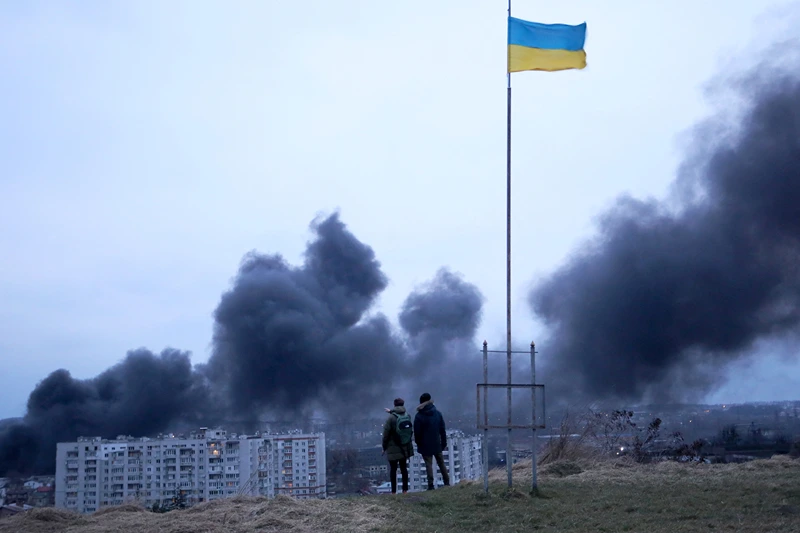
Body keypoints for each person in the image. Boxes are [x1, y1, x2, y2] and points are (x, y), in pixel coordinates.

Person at [414, 392, 450, 490]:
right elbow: (442, 429)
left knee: (428, 464)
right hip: (436, 443)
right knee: (441, 463)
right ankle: (447, 482)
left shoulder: (419, 416)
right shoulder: (438, 413)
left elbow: (417, 433)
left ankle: (431, 485)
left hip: (425, 444)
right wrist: (443, 442)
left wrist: (419, 443)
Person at [382, 397, 414, 494]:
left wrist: (384, 447)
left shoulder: (390, 418)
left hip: (393, 447)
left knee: (393, 470)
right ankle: (405, 490)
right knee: (404, 468)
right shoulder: (407, 415)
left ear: (394, 405)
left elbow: (385, 434)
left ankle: (394, 492)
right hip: (404, 446)